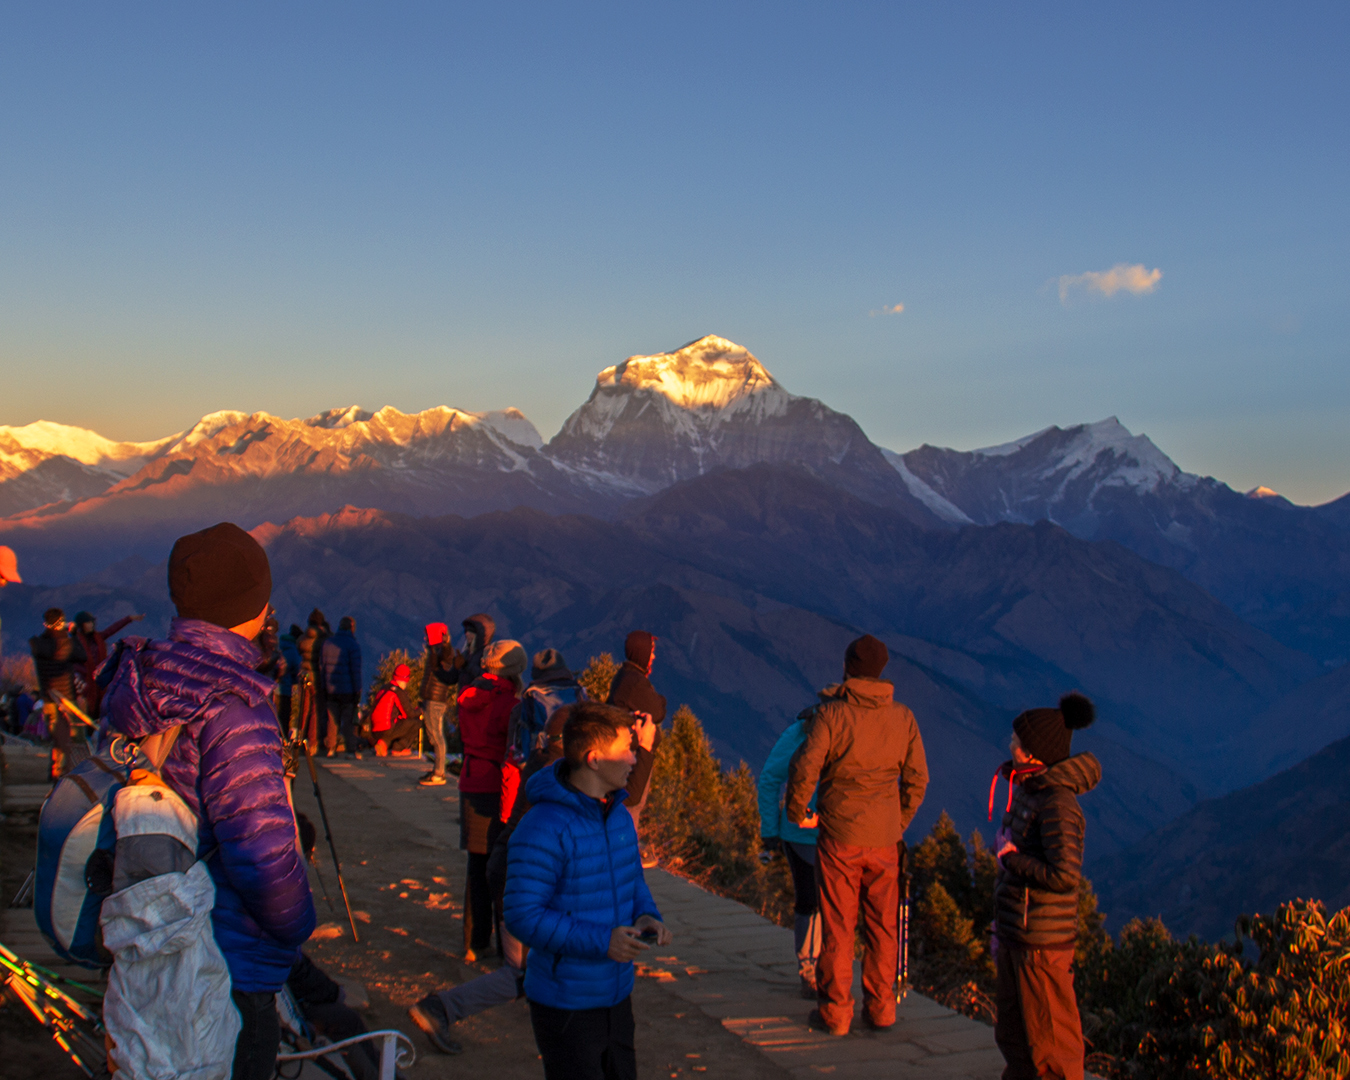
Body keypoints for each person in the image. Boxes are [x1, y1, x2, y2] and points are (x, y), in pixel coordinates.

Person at [102, 521, 316, 1080]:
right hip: (225, 958)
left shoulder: (140, 679)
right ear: (257, 606)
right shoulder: (235, 709)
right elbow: (262, 855)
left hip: (150, 934)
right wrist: (295, 927)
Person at [504, 702, 671, 1080]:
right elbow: (521, 915)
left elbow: (632, 880)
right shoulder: (543, 827)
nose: (634, 757)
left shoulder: (618, 818)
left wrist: (646, 915)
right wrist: (601, 942)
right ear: (595, 759)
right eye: (627, 748)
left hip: (615, 995)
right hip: (565, 1004)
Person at [408, 704, 573, 1055]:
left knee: (534, 969)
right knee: (523, 973)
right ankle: (441, 1008)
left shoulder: (542, 762)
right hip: (520, 881)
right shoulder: (557, 774)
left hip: (508, 871)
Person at [785, 634, 928, 1037]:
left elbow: (804, 768)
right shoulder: (903, 718)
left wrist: (799, 812)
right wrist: (897, 822)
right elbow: (918, 779)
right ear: (882, 670)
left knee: (839, 924)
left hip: (839, 835)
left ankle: (836, 1013)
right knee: (883, 926)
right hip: (885, 839)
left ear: (847, 667)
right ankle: (882, 1010)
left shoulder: (832, 715)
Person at [991, 693, 1099, 1080]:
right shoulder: (1031, 791)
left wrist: (1011, 859)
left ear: (1034, 752)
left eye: (1017, 742)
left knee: (1051, 1045)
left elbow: (1065, 874)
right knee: (1016, 1033)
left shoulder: (1057, 804)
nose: (1011, 746)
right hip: (1019, 932)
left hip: (1041, 941)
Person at [456, 639, 525, 961]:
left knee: (477, 865)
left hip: (471, 779)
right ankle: (505, 946)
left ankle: (474, 939)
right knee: (501, 868)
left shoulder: (469, 695)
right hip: (498, 785)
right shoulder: (510, 705)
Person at [757, 701, 823, 1000]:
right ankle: (815, 971)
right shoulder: (804, 733)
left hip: (804, 833)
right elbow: (770, 779)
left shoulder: (799, 732)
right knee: (818, 902)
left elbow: (770, 778)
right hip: (818, 834)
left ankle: (813, 971)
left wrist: (771, 831)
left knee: (811, 901)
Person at [606, 631, 665, 863]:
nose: (653, 657)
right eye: (651, 651)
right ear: (641, 653)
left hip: (628, 749)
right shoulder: (635, 682)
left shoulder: (626, 676)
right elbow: (659, 711)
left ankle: (624, 846)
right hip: (633, 751)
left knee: (630, 801)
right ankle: (624, 851)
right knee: (632, 801)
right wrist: (660, 700)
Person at [30, 608, 87, 779]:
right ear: (61, 622)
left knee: (57, 738)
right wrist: (74, 634)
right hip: (67, 698)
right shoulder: (66, 644)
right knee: (75, 736)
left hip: (48, 698)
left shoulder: (38, 645)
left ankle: (54, 772)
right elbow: (82, 656)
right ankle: (73, 772)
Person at [512, 648, 588, 757]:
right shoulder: (578, 690)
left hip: (544, 754)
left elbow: (525, 730)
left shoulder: (531, 695)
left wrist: (528, 760)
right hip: (576, 751)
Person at [72, 610, 145, 719]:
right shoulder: (75, 642)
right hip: (85, 681)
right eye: (88, 623)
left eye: (91, 622)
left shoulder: (98, 638)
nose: (91, 625)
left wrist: (129, 619)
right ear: (81, 625)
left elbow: (112, 629)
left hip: (100, 679)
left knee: (102, 705)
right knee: (87, 708)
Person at [417, 622, 459, 785]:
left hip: (435, 700)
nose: (425, 638)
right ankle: (437, 770)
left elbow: (448, 655)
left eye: (428, 635)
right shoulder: (435, 652)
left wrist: (445, 643)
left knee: (436, 737)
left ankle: (439, 773)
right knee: (434, 735)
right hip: (431, 699)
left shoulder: (442, 651)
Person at [322, 615, 363, 757]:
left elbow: (323, 667)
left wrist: (324, 686)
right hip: (348, 690)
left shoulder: (328, 643)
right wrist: (358, 690)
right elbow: (355, 671)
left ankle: (331, 748)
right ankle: (350, 749)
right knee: (349, 720)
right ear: (352, 628)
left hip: (331, 689)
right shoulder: (353, 645)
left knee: (332, 720)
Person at [296, 610, 330, 755]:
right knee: (316, 710)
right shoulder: (324, 638)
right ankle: (312, 742)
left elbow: (298, 648)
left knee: (303, 710)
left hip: (304, 674)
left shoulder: (303, 638)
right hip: (317, 676)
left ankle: (299, 740)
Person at [370, 663, 421, 755]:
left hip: (374, 730)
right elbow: (409, 714)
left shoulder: (384, 688)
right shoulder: (398, 692)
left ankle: (383, 744)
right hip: (387, 728)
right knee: (416, 722)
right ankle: (399, 748)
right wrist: (420, 711)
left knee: (394, 725)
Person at [277, 624, 302, 736]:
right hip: (285, 689)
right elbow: (296, 669)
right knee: (284, 717)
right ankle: (282, 741)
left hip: (273, 687)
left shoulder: (278, 645)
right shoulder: (293, 650)